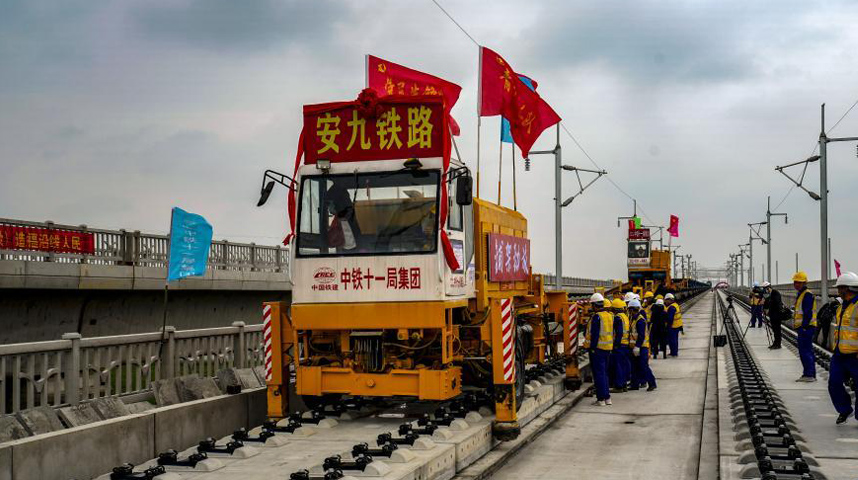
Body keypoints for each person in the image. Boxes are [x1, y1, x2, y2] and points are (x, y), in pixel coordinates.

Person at [828, 272, 858, 424]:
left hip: (855, 356)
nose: (838, 291)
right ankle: (845, 410)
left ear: (848, 288)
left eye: (840, 288)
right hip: (840, 354)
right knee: (834, 383)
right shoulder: (841, 306)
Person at [584, 293, 614, 407]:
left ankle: (601, 399)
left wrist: (592, 348)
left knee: (599, 374)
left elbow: (595, 335)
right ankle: (607, 398)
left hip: (598, 350)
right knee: (604, 373)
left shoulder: (597, 317)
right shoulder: (609, 315)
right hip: (607, 348)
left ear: (594, 305)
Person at [792, 271, 817, 382]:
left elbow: (808, 313)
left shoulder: (806, 294)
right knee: (808, 351)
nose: (796, 284)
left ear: (804, 283)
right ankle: (811, 374)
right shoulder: (801, 294)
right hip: (805, 327)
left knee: (805, 351)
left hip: (806, 328)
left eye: (799, 282)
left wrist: (804, 327)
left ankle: (808, 374)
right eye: (795, 282)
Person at [628, 299, 657, 391]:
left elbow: (641, 335)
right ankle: (634, 384)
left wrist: (637, 347)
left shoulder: (640, 320)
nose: (629, 312)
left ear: (632, 310)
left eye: (629, 310)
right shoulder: (634, 319)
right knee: (635, 366)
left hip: (641, 347)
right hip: (636, 347)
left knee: (643, 366)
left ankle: (652, 383)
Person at [609, 298, 631, 393]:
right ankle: (624, 384)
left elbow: (619, 333)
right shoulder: (625, 316)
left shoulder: (617, 318)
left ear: (615, 309)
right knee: (623, 365)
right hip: (625, 344)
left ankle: (619, 386)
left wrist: (616, 345)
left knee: (618, 366)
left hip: (620, 345)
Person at [762, 281, 785, 349]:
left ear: (768, 287)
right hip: (773, 315)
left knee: (777, 330)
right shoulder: (770, 294)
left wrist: (768, 300)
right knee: (775, 330)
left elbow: (776, 302)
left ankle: (778, 344)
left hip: (777, 315)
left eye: (765, 289)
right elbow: (767, 302)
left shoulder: (775, 293)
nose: (765, 291)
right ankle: (775, 343)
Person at [665, 293, 682, 357]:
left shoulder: (671, 307)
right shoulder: (675, 305)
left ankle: (674, 353)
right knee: (675, 340)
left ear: (669, 300)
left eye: (666, 300)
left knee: (672, 340)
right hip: (677, 325)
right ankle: (674, 352)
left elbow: (670, 319)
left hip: (672, 326)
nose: (665, 302)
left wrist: (667, 326)